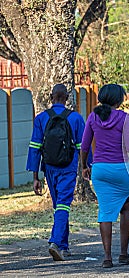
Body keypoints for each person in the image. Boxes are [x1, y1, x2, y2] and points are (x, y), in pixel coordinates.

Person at [26, 84, 86, 261]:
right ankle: (56, 242)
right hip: (68, 168)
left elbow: (35, 147)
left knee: (59, 205)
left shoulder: (41, 118)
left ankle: (64, 245)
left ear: (51, 97)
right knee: (63, 205)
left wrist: (35, 177)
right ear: (67, 98)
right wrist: (85, 167)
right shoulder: (75, 118)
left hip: (49, 168)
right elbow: (82, 147)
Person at [80, 84, 129, 268]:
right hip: (122, 169)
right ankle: (124, 253)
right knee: (126, 208)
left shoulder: (93, 116)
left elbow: (85, 146)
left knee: (105, 210)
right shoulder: (124, 118)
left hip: (100, 170)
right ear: (119, 100)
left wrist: (84, 167)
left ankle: (107, 258)